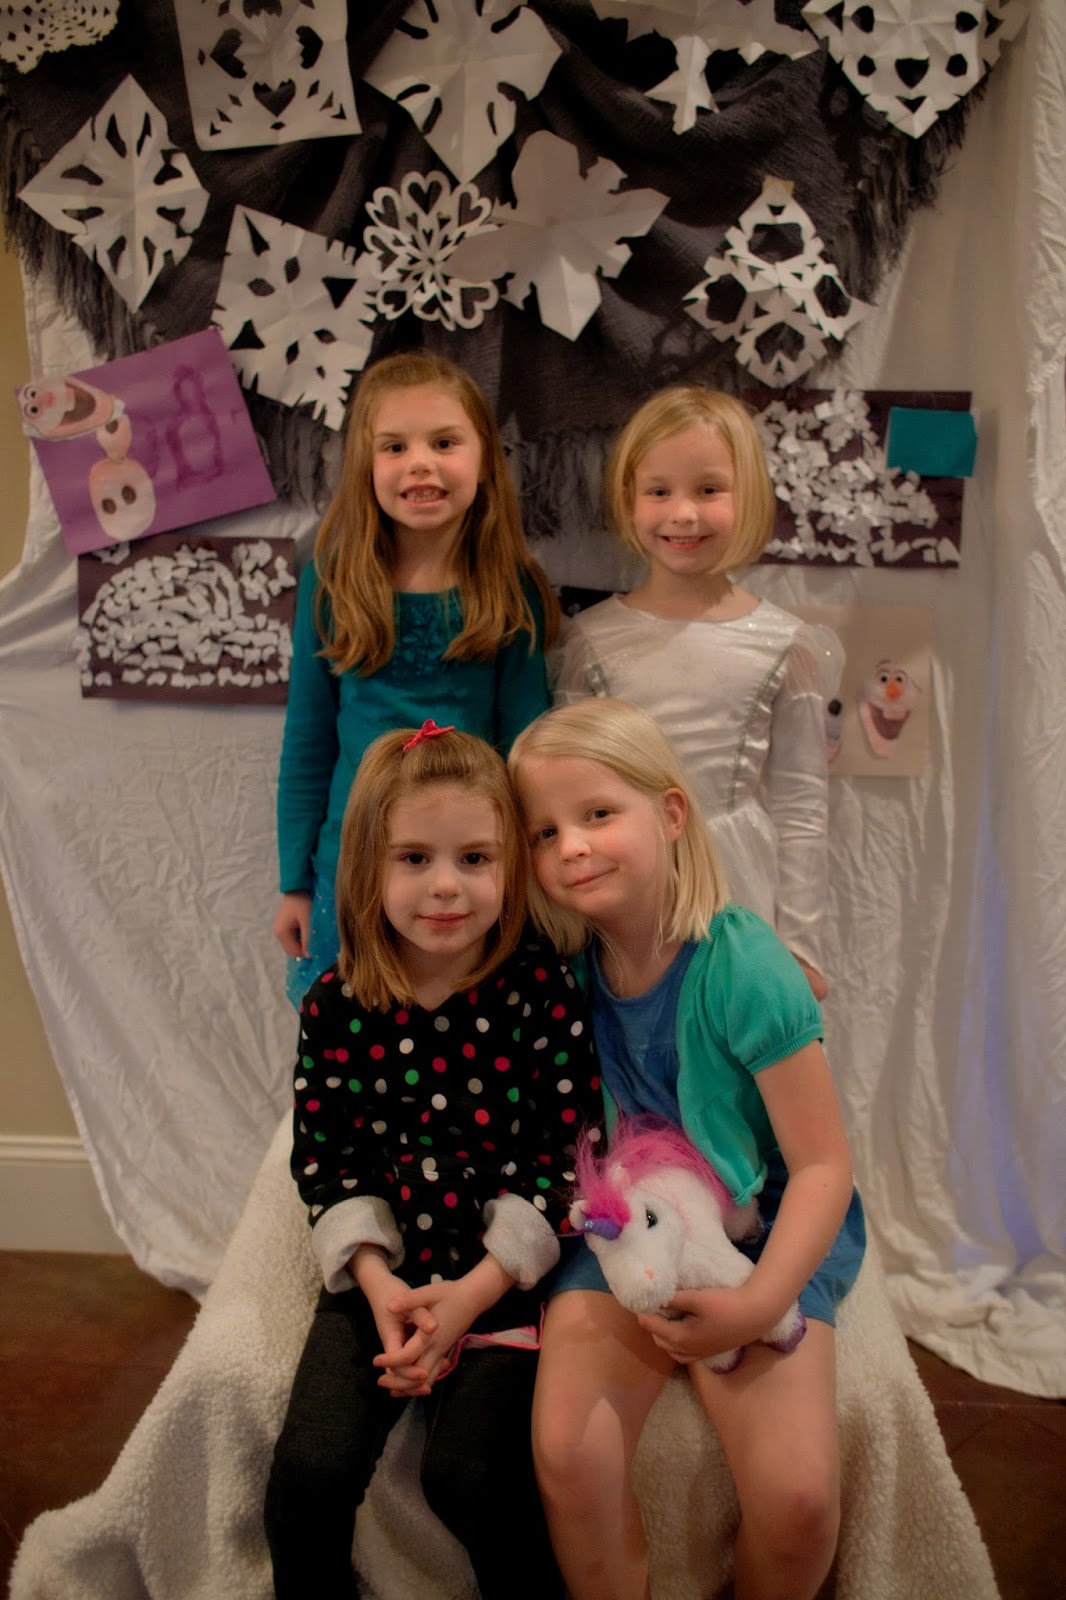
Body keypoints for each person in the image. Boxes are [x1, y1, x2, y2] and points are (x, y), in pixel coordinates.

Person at [508, 698, 865, 1600]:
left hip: (757, 1224)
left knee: (798, 1499)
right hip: (625, 1217)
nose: (571, 847)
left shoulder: (744, 966)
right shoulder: (563, 972)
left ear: (670, 813)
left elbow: (823, 1166)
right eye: (544, 833)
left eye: (597, 814)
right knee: (568, 1450)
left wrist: (759, 1303)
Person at [264, 722, 600, 1600]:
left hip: (503, 1281)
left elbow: (562, 1160)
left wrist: (474, 1296)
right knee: (306, 1479)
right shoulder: (338, 1006)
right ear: (368, 869)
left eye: (474, 859)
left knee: (473, 1478)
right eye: (414, 859)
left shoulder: (540, 993)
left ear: (510, 869)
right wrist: (380, 1288)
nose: (446, 886)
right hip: (381, 1276)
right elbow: (327, 1162)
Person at [273, 350, 558, 1006]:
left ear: (484, 461)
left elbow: (530, 747)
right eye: (395, 446)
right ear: (364, 465)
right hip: (354, 863)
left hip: (470, 871)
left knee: (468, 1028)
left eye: (444, 443)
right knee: (357, 1031)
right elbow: (307, 742)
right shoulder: (332, 581)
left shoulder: (510, 586)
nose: (420, 464)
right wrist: (294, 882)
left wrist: (534, 869)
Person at [553, 387, 840, 998]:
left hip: (742, 887)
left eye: (708, 490)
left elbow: (801, 805)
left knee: (735, 1036)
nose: (683, 514)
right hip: (625, 891)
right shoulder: (591, 642)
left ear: (748, 495)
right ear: (628, 499)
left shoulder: (786, 645)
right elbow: (566, 795)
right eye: (659, 491)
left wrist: (800, 946)